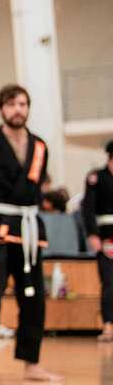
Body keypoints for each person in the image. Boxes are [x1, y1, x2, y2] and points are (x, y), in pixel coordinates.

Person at [0, 84, 62, 385]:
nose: (18, 109)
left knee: (33, 299)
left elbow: (37, 188)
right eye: (12, 104)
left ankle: (31, 363)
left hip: (30, 230)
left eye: (23, 104)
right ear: (1, 109)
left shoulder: (40, 147)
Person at [80, 140, 113, 343]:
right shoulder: (97, 178)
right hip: (105, 238)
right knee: (109, 283)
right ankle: (108, 325)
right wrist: (92, 234)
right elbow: (88, 208)